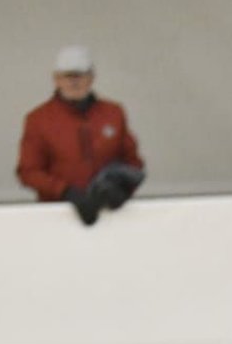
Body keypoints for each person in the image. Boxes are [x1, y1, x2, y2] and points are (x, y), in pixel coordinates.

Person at [16, 45, 145, 225]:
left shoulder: (113, 113)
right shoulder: (38, 119)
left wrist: (122, 189)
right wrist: (67, 192)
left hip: (111, 216)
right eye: (67, 76)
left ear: (92, 78)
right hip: (57, 216)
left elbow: (133, 163)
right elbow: (28, 172)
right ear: (56, 79)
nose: (74, 82)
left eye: (80, 75)